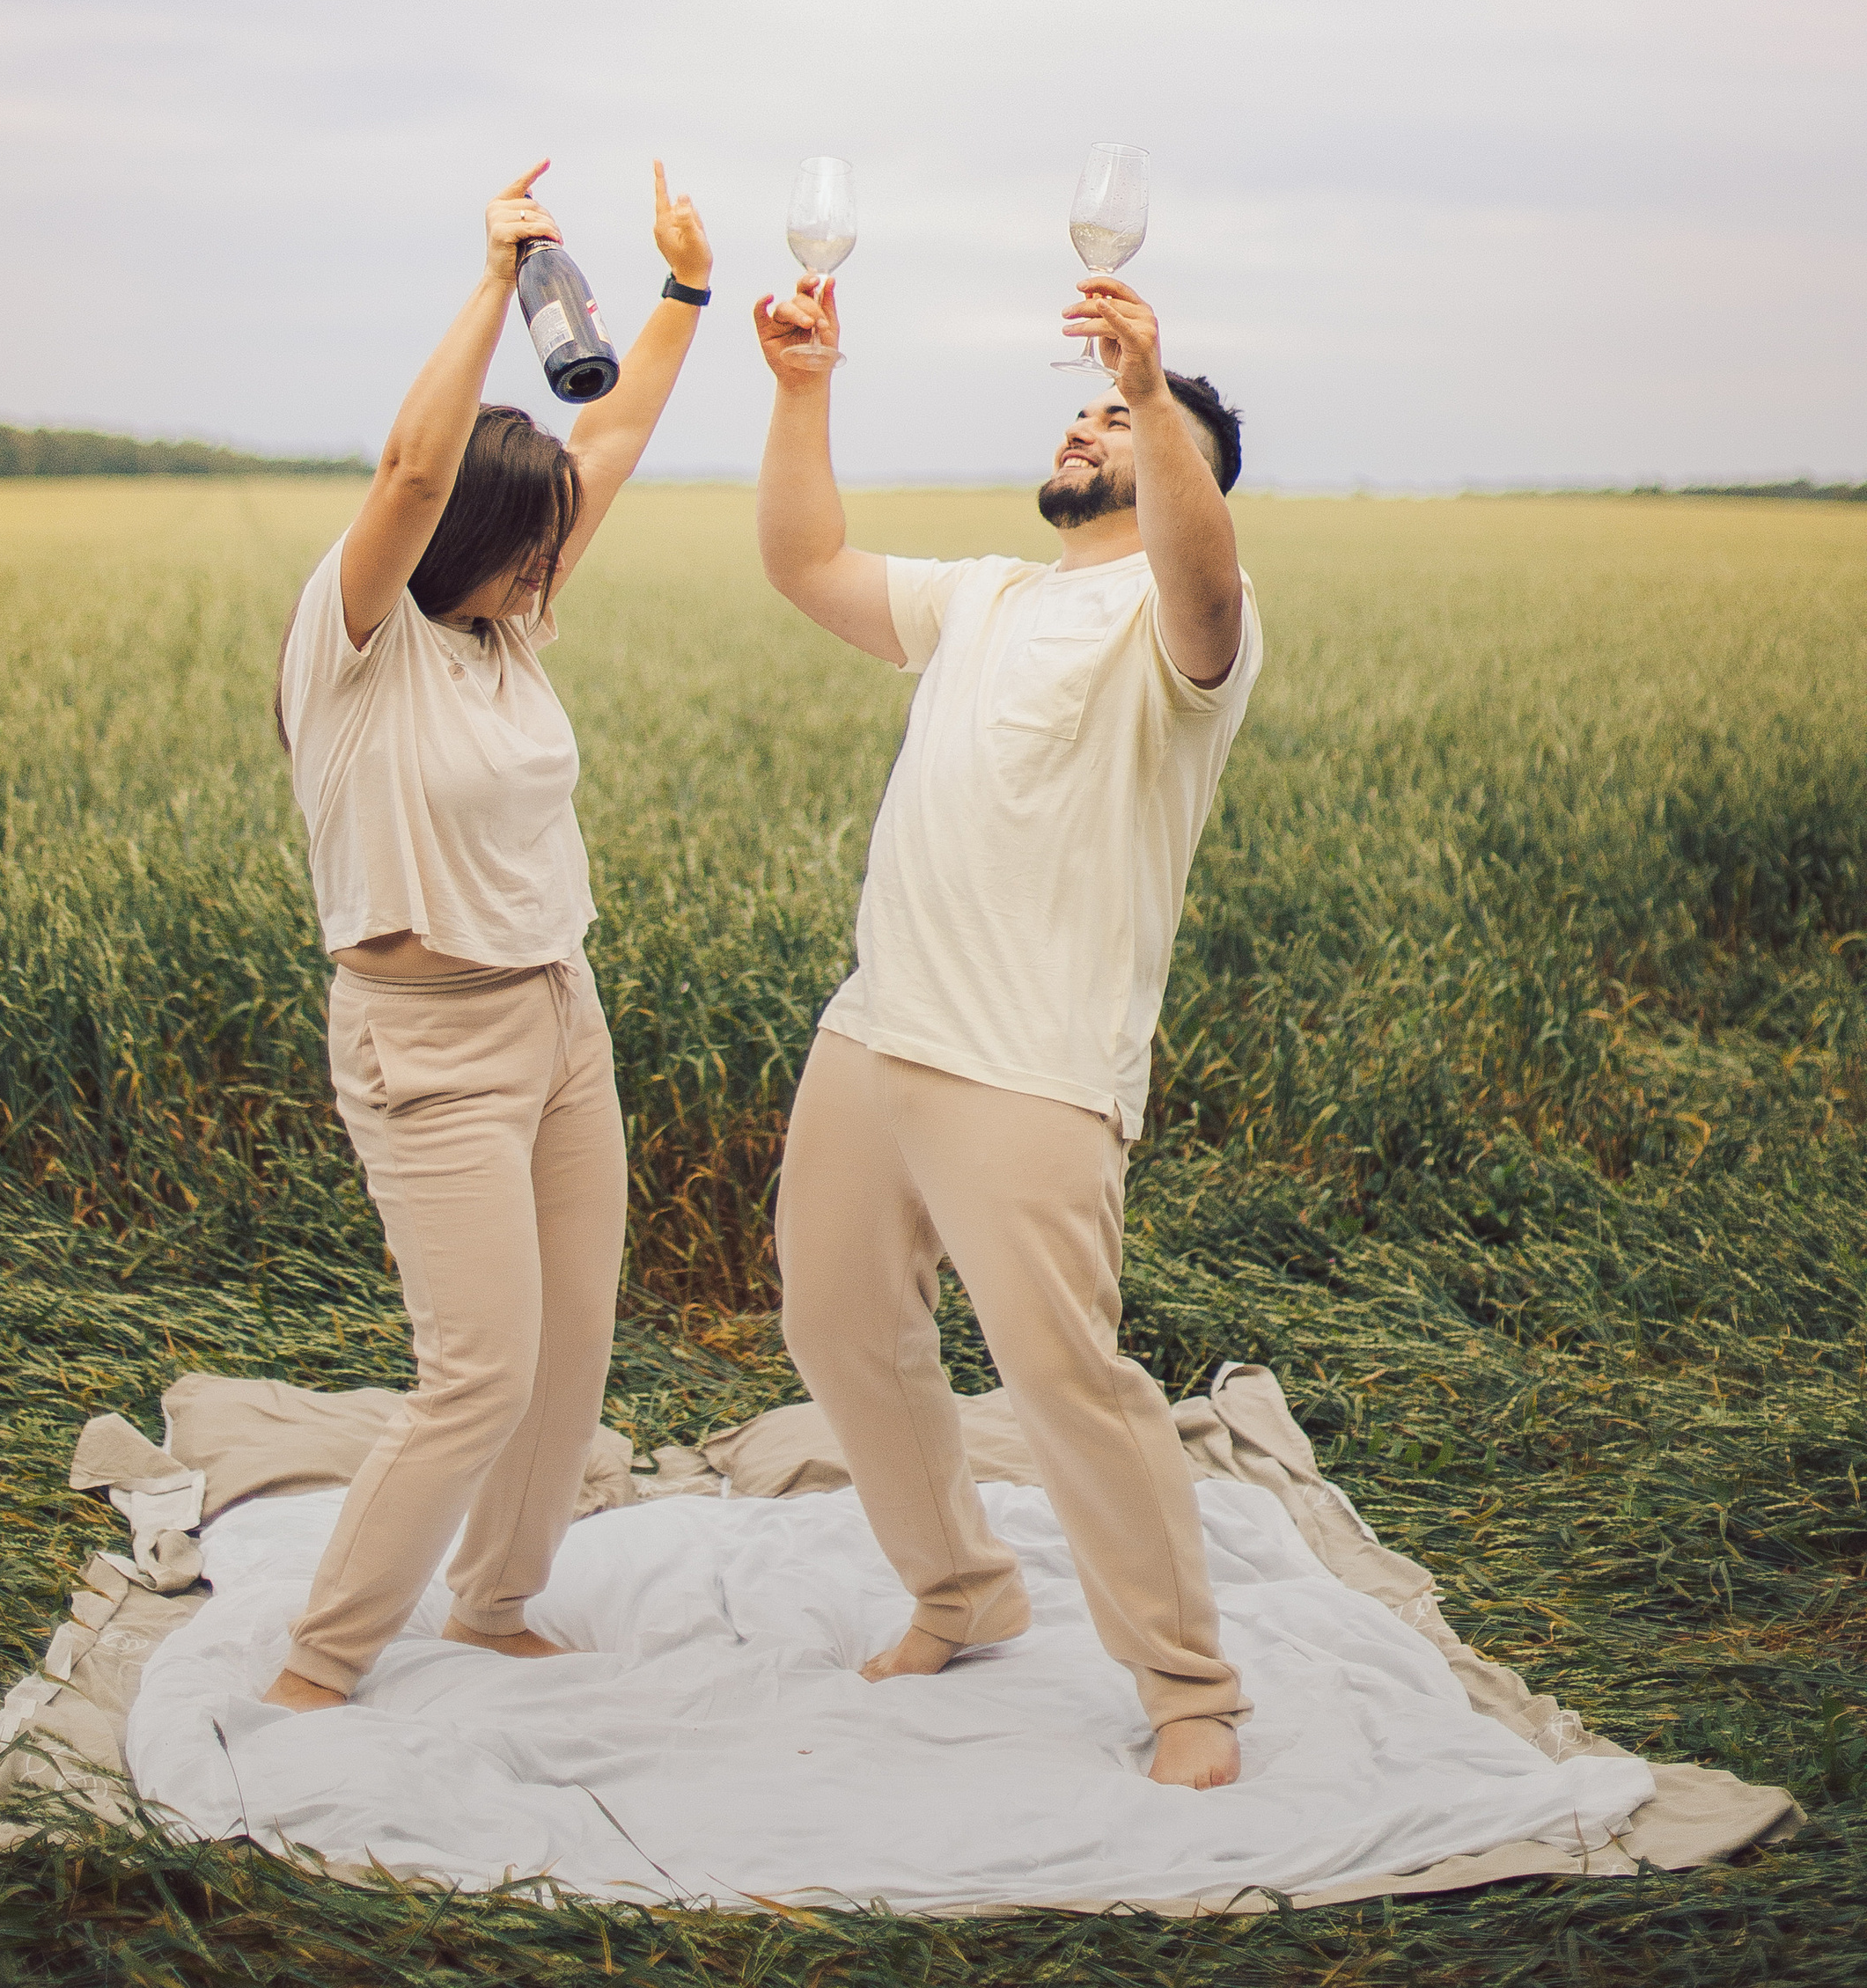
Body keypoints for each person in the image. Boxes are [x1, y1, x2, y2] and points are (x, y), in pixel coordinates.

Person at [753, 260, 1262, 1793]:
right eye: (1084, 413)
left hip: (1033, 1064)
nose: (1087, 427)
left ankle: (1189, 1689)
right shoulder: (982, 594)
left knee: (1064, 1379)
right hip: (877, 1027)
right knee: (836, 1320)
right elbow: (806, 562)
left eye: (1122, 422)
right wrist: (801, 390)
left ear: (1182, 469)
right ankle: (962, 1591)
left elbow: (1210, 586)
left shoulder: (1183, 628)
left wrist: (1155, 394)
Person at [262, 157, 714, 1713]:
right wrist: (488, 281)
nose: (551, 569)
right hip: (428, 1045)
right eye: (531, 543)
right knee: (478, 1372)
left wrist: (685, 289)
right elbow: (406, 473)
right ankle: (323, 1661)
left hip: (560, 1019)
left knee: (571, 1346)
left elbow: (617, 435)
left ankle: (495, 1601)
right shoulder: (359, 641)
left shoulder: (503, 620)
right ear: (465, 534)